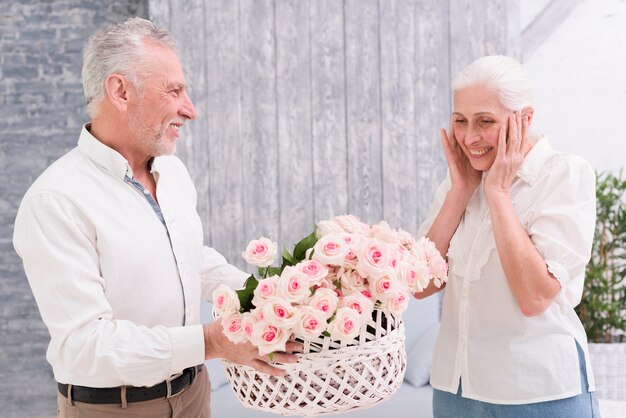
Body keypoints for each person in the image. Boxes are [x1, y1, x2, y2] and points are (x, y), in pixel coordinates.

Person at [13, 17, 297, 418]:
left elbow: (188, 257)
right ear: (120, 90)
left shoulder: (172, 171)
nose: (190, 109)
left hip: (193, 393)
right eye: (175, 90)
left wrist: (269, 294)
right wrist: (212, 342)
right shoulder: (55, 200)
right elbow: (85, 344)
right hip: (116, 409)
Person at [414, 55, 601, 417]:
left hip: (539, 393)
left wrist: (498, 193)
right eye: (460, 121)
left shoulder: (564, 175)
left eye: (486, 121)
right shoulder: (460, 183)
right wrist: (460, 193)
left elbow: (534, 296)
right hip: (456, 391)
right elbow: (421, 284)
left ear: (524, 119)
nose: (469, 137)